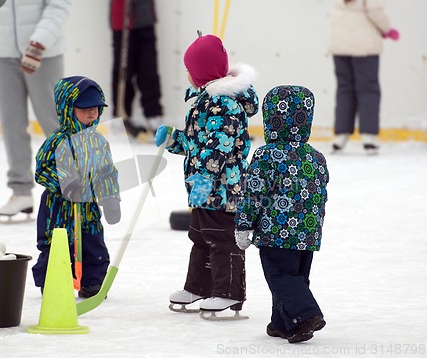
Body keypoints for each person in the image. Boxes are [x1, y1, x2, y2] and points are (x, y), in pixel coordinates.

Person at [155, 33, 259, 316]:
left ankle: (228, 293)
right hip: (205, 187)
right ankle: (199, 287)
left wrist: (203, 178)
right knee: (200, 237)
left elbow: (218, 149)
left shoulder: (223, 104)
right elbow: (198, 143)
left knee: (222, 239)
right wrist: (173, 139)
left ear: (201, 73)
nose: (187, 74)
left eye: (190, 69)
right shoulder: (207, 101)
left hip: (222, 189)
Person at [234, 85, 329, 343]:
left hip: (277, 233)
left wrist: (243, 224)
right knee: (295, 278)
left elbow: (253, 193)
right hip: (307, 234)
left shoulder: (267, 155)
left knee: (280, 276)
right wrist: (313, 229)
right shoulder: (316, 158)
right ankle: (283, 323)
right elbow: (321, 194)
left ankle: (306, 314)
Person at [0, 0, 71, 218]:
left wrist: (38, 44)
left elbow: (58, 6)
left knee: (55, 123)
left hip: (44, 54)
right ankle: (20, 191)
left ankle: (75, 189)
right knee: (11, 123)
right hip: (3, 56)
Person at [31, 76, 121, 298]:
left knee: (93, 245)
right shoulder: (57, 140)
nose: (92, 113)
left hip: (87, 207)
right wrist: (64, 185)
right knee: (56, 246)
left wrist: (110, 199)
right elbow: (42, 169)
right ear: (68, 109)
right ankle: (53, 280)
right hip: (57, 210)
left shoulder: (99, 142)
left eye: (96, 108)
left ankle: (92, 282)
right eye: (85, 108)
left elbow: (106, 172)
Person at [328, 0, 400, 154]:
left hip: (340, 45)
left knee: (345, 89)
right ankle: (368, 136)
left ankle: (341, 136)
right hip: (364, 46)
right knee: (368, 89)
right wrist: (387, 29)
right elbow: (375, 11)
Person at [110, 0, 164, 140]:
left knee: (148, 70)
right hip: (121, 19)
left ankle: (153, 115)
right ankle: (121, 115)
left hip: (145, 19)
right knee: (123, 71)